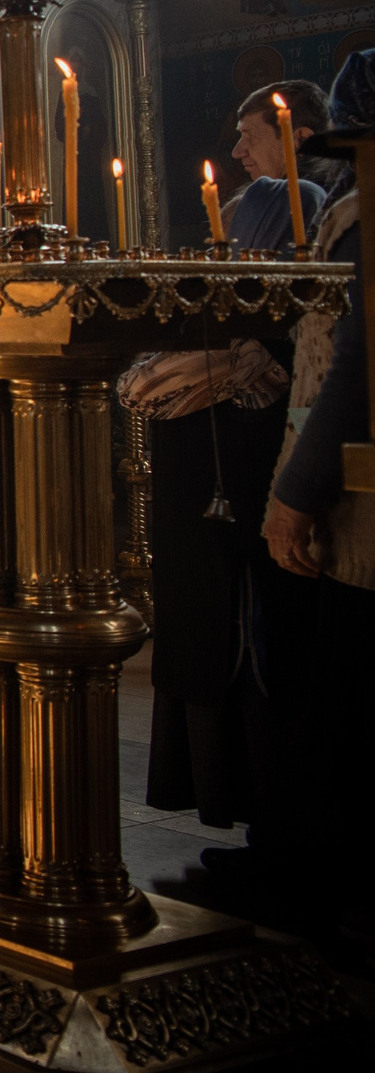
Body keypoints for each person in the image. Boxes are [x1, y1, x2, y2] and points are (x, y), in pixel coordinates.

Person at [128, 82, 326, 877]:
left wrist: (223, 364)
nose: (239, 157)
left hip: (257, 521)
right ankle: (264, 828)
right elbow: (143, 379)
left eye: (248, 226)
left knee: (270, 664)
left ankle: (287, 835)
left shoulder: (288, 313)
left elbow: (286, 379)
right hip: (218, 525)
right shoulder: (221, 320)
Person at [267, 52, 375, 949]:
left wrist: (295, 489)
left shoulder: (358, 215)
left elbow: (354, 362)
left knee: (352, 693)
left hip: (360, 503)